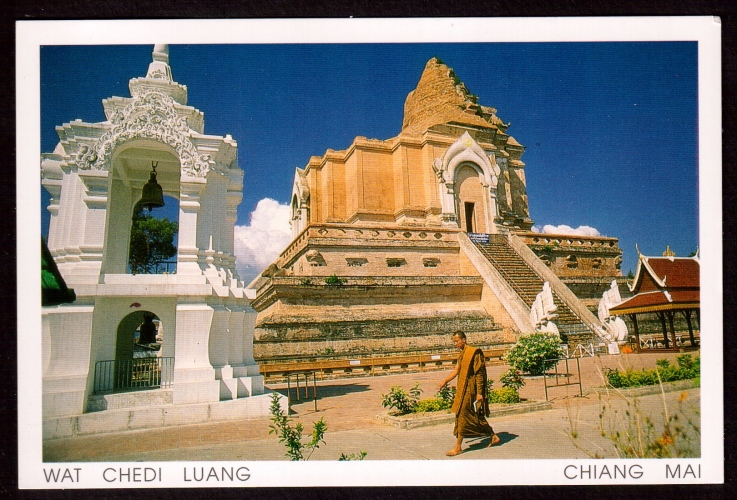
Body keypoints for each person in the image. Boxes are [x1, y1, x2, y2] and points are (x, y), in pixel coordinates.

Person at [438, 330, 500, 456]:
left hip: (472, 390)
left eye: (457, 341)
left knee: (462, 415)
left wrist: (479, 393)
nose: (455, 344)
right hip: (463, 390)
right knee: (473, 415)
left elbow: (479, 374)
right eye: (454, 342)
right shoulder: (461, 354)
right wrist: (445, 380)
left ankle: (458, 447)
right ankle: (492, 435)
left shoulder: (474, 353)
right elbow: (456, 370)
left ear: (464, 339)